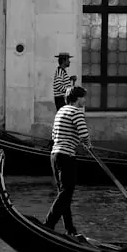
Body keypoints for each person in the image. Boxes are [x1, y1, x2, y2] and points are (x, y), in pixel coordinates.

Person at [45, 86, 91, 237]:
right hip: (66, 156)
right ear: (77, 98)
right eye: (83, 97)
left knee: (64, 193)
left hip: (54, 155)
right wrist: (87, 145)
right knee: (66, 192)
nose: (85, 100)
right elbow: (84, 133)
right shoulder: (76, 112)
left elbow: (53, 135)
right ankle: (49, 224)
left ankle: (70, 229)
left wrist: (76, 141)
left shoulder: (61, 111)